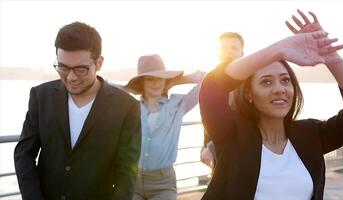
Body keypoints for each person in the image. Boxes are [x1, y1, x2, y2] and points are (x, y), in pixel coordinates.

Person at [199, 10, 343, 200]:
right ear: (249, 93)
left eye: (285, 80)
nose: (279, 89)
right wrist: (278, 49)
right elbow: (212, 86)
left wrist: (330, 55)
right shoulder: (231, 134)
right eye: (266, 82)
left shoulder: (310, 135)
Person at [13, 22, 141, 200]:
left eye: (80, 69)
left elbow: (127, 171)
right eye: (63, 67)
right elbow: (23, 154)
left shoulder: (127, 107)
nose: (71, 77)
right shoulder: (40, 96)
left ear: (99, 63)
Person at [118, 54, 205, 200]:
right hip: (134, 181)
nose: (155, 83)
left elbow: (206, 79)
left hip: (163, 184)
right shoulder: (132, 107)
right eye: (150, 79)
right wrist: (132, 89)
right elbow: (103, 87)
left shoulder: (178, 104)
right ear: (142, 82)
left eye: (160, 78)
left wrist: (175, 80)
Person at [200, 32, 244, 169]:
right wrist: (205, 146)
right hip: (219, 156)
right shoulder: (211, 80)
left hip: (244, 152)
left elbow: (249, 119)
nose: (228, 52)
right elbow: (209, 116)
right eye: (224, 48)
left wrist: (212, 148)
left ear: (242, 53)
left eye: (234, 48)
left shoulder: (249, 81)